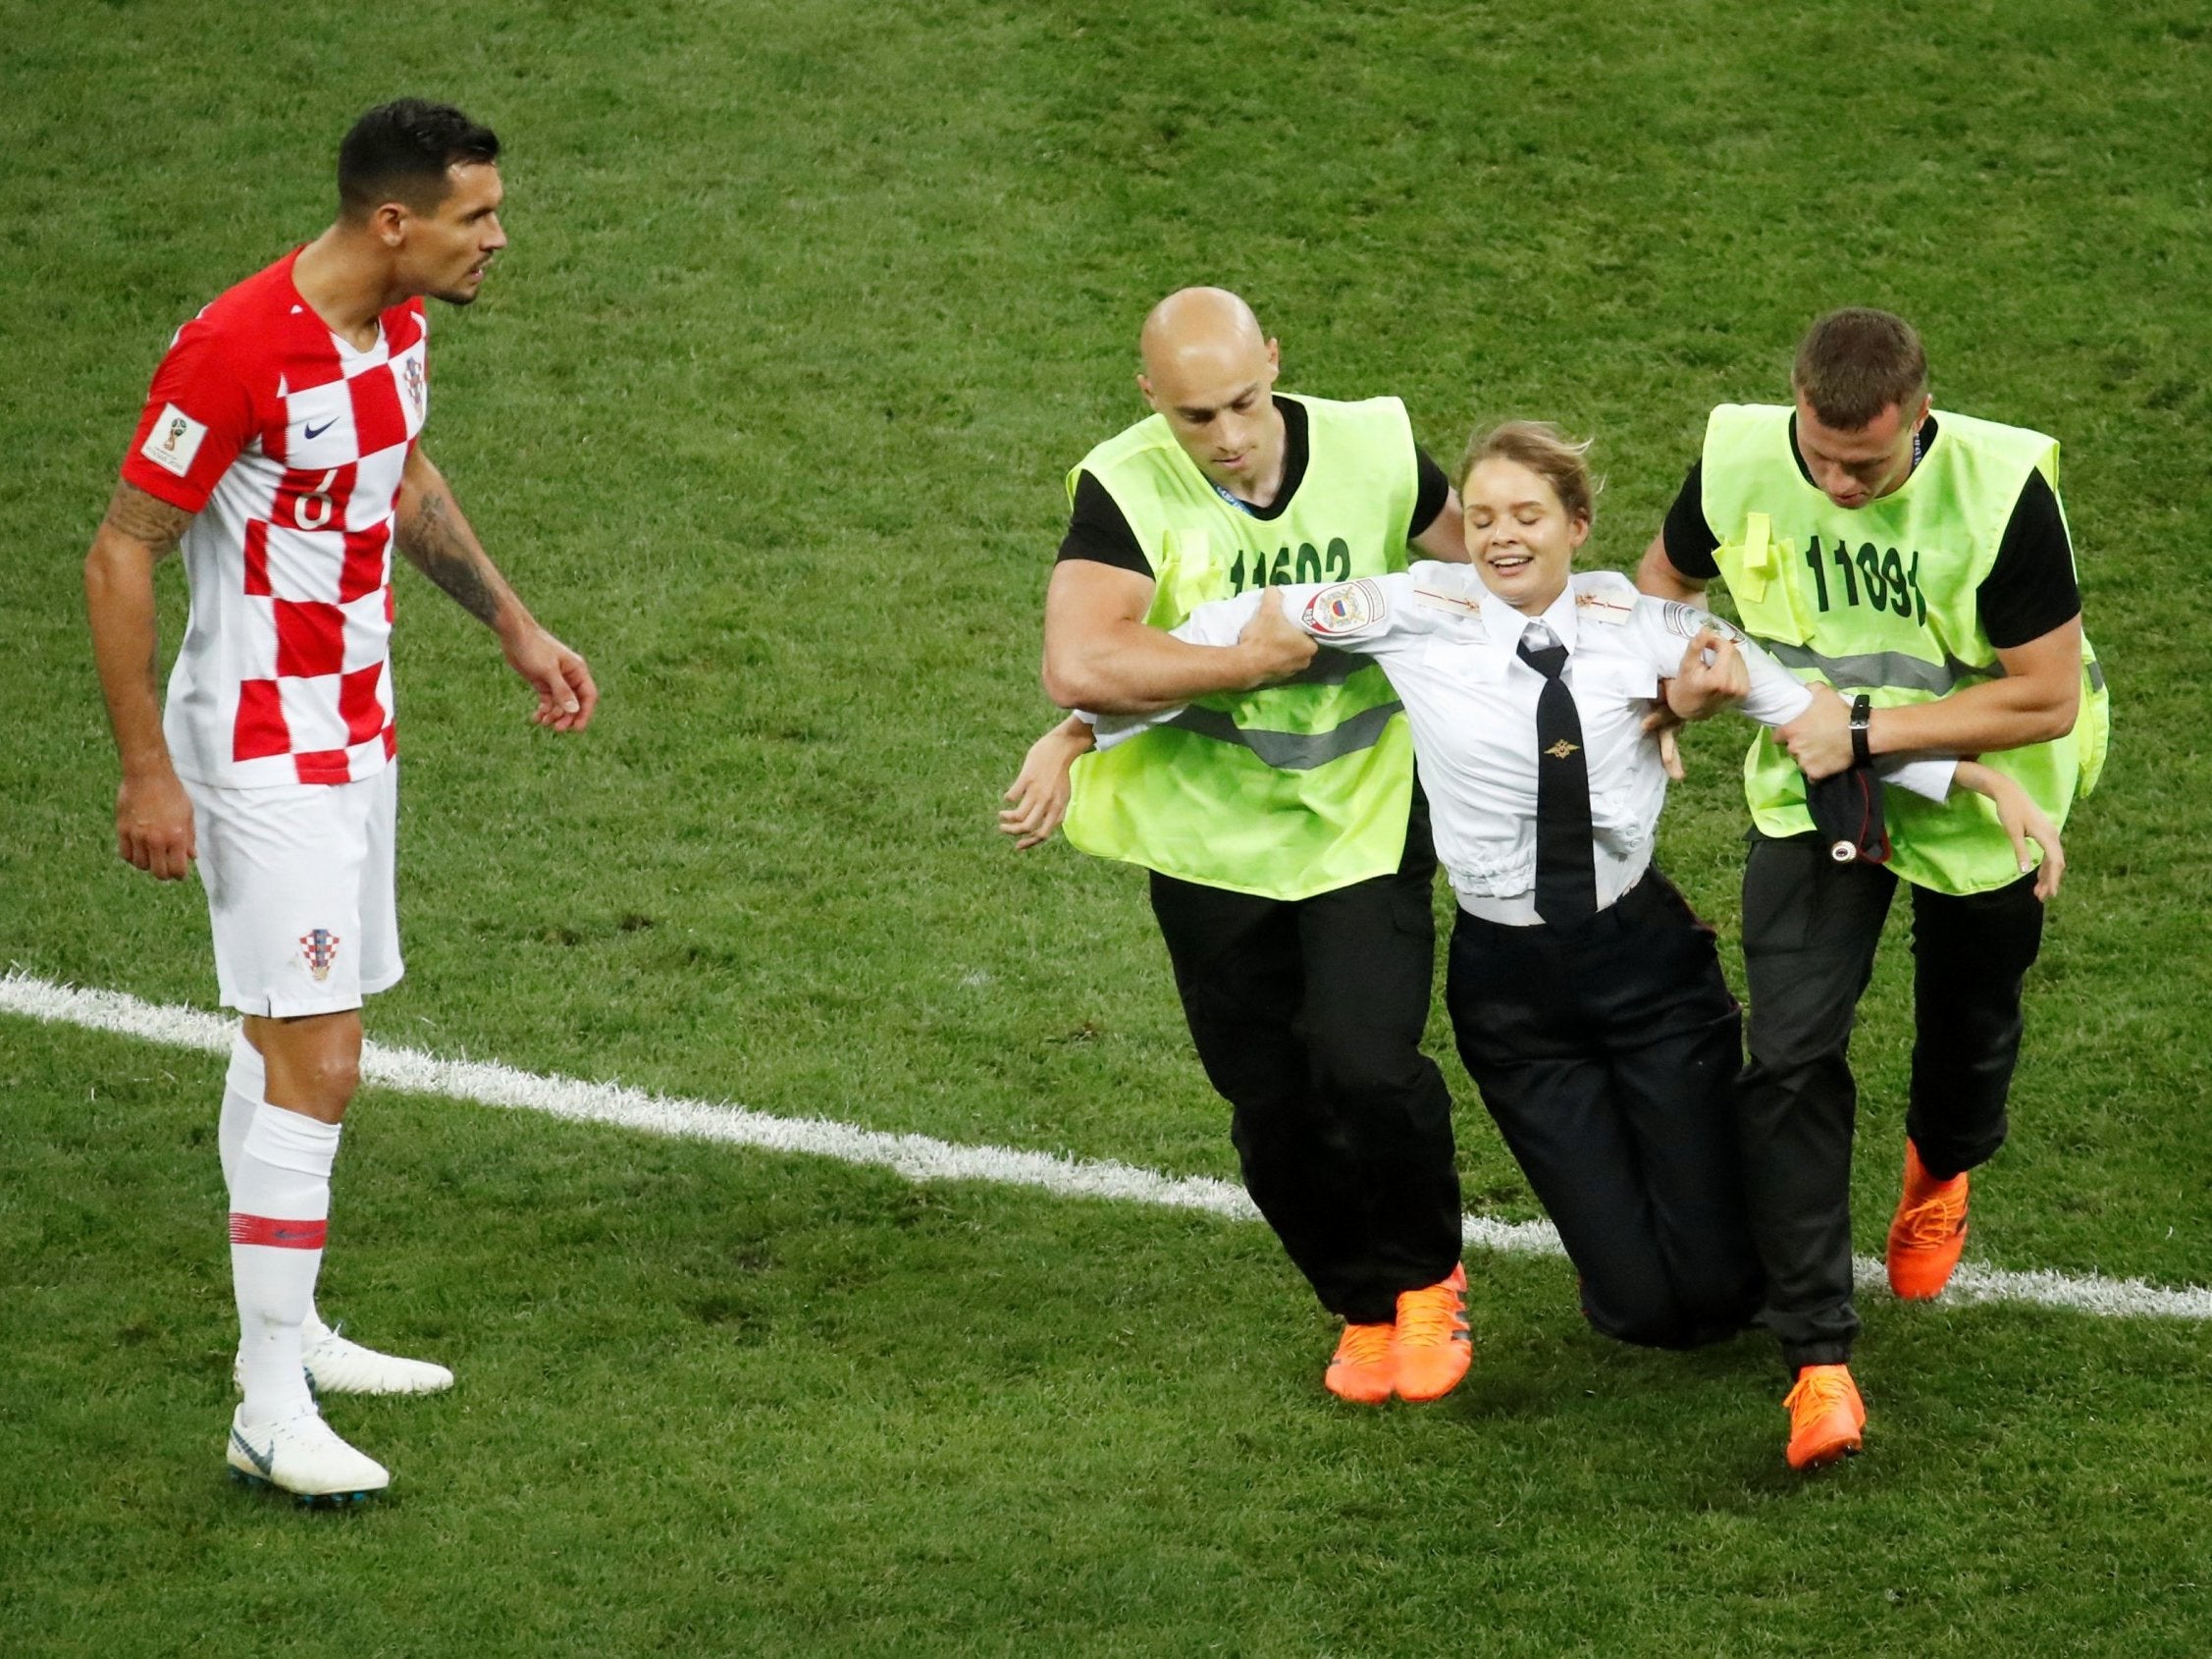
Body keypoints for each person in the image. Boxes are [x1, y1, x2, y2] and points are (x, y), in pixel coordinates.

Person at [1044, 421, 2061, 1364]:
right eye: (1481, 518)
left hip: (1644, 968)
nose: (1498, 537)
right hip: (1512, 994)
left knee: (1720, 1294)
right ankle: (1623, 1266)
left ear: (1575, 525)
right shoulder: (1406, 608)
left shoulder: (1641, 620)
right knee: (1644, 1314)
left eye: (1526, 516)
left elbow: (1800, 709)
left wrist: (1962, 774)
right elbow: (1235, 629)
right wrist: (1088, 725)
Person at [82, 100, 597, 1502]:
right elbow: (123, 550)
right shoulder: (238, 348)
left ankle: (295, 1329)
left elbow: (401, 477)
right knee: (323, 1059)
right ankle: (264, 1405)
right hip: (256, 753)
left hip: (357, 729)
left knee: (286, 1037)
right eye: (474, 217)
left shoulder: (398, 331)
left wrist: (511, 622)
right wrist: (148, 767)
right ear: (394, 223)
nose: (496, 238)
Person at [1637, 307, 2106, 1469]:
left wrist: (1862, 727)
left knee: (1969, 1025)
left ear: (1921, 419)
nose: (1841, 484)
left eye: (1870, 464)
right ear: (1796, 402)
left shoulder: (2000, 494)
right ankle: (1817, 1361)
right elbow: (1664, 587)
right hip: (1813, 790)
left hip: (1991, 788)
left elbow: (2043, 695)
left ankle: (1940, 1163)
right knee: (1789, 1056)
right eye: (1824, 456)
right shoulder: (1742, 452)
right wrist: (1672, 678)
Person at [1006, 287, 1474, 1406]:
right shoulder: (1123, 485)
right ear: (1148, 401)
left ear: (1276, 357)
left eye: (1242, 402)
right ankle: (1358, 1302)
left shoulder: (1371, 443)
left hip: (1364, 810)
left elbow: (1484, 571)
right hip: (1210, 836)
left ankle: (1423, 1281)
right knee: (1267, 1098)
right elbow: (1080, 661)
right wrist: (1233, 671)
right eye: (1194, 416)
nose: (1225, 436)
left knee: (1366, 1063)